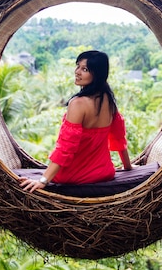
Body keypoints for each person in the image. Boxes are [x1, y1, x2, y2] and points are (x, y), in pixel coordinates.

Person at [19, 50, 132, 193]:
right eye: (78, 66)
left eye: (84, 69)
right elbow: (119, 137)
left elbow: (66, 147)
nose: (77, 72)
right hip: (104, 173)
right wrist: (128, 167)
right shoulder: (108, 100)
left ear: (97, 73)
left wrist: (43, 180)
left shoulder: (78, 103)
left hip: (73, 176)